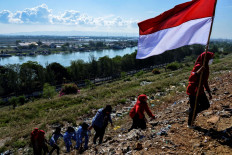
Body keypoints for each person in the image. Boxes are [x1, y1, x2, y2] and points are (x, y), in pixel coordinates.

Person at [186, 51, 214, 128]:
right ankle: (190, 124)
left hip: (200, 90)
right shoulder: (199, 66)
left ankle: (192, 112)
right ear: (206, 58)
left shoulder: (206, 67)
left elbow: (205, 81)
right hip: (193, 90)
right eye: (211, 58)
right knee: (194, 107)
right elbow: (191, 78)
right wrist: (198, 72)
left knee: (206, 105)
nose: (212, 59)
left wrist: (209, 92)